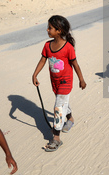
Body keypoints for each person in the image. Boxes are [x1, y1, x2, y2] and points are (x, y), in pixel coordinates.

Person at [32, 15, 86, 152]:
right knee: (61, 102)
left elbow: (75, 65)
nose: (47, 30)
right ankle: (70, 118)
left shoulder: (68, 48)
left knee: (58, 108)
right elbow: (43, 61)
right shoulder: (47, 46)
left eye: (50, 28)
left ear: (59, 30)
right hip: (54, 82)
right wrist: (35, 74)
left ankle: (56, 138)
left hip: (66, 82)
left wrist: (81, 79)